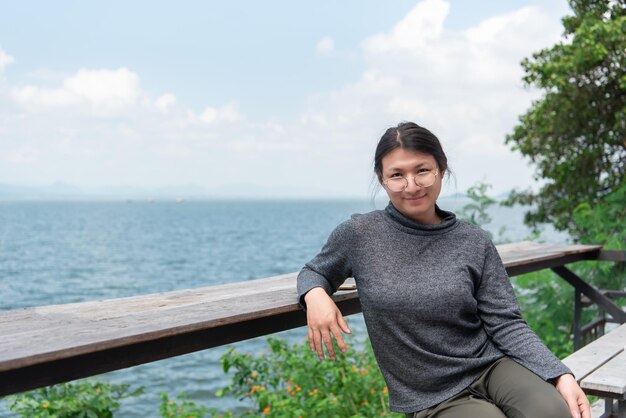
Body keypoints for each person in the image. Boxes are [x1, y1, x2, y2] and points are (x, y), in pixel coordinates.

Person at [296, 122, 591, 418]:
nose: (412, 185)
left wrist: (560, 374)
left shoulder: (473, 240)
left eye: (422, 170)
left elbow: (506, 322)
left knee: (553, 410)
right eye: (397, 175)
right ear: (382, 179)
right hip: (430, 393)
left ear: (441, 169)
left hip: (492, 365)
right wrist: (315, 295)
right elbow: (314, 271)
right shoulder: (359, 234)